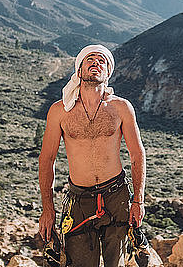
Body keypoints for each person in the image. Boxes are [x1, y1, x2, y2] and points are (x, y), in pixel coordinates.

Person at [38, 44, 146, 267]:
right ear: (79, 71)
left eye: (102, 61)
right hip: (79, 198)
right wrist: (47, 210)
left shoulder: (121, 108)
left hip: (117, 196)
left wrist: (138, 200)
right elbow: (47, 160)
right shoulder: (60, 111)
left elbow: (137, 154)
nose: (96, 63)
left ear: (108, 73)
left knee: (115, 263)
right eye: (90, 59)